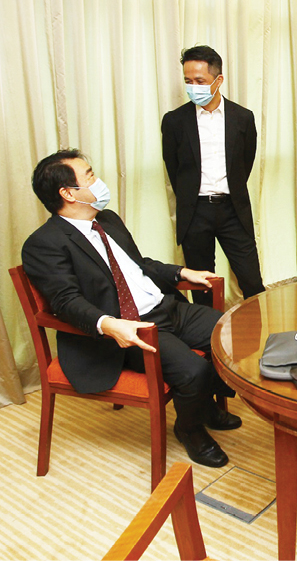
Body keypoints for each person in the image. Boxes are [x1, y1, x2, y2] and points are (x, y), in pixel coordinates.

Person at [22, 150, 241, 468]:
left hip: (165, 308)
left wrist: (181, 273)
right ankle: (189, 429)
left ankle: (202, 405)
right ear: (68, 193)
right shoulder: (45, 243)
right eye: (90, 176)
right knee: (194, 370)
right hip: (129, 328)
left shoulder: (106, 220)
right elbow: (65, 301)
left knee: (234, 333)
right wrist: (109, 324)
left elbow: (138, 266)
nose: (98, 182)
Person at [162, 45, 264, 306]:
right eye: (188, 81)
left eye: (200, 81)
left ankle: (259, 341)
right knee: (202, 288)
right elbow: (174, 169)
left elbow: (245, 163)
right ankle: (208, 344)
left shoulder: (242, 118)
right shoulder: (174, 121)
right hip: (195, 212)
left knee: (252, 282)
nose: (193, 86)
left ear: (218, 80)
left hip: (233, 210)